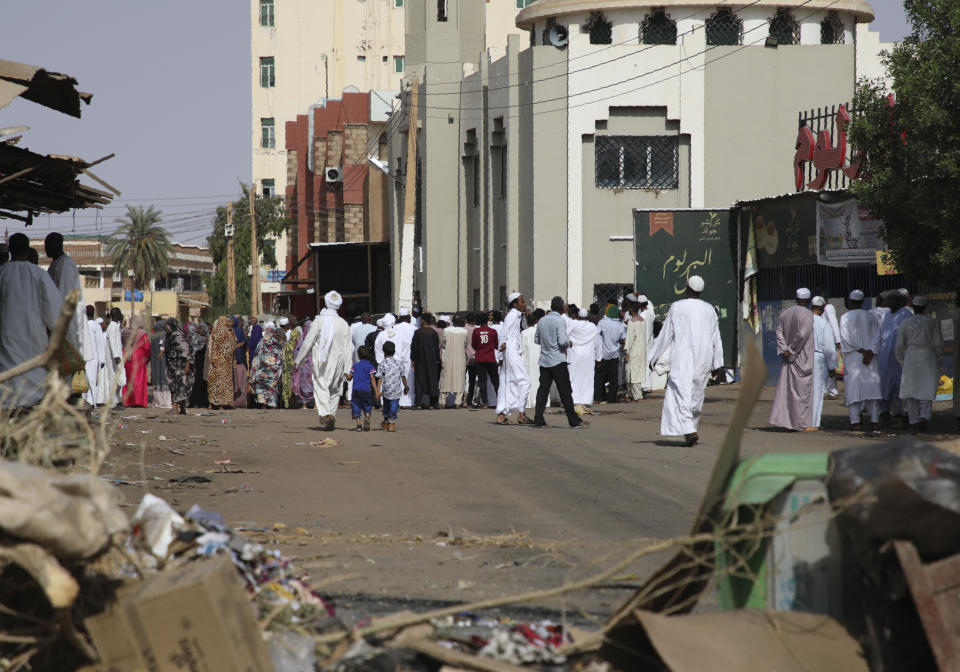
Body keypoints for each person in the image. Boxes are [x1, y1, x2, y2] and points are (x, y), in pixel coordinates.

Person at [647, 276, 724, 446]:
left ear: (687, 288)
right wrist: (717, 362)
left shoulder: (677, 307)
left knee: (682, 393)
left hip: (683, 357)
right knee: (695, 395)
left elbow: (665, 334)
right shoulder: (709, 309)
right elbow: (716, 337)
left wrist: (652, 356)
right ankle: (690, 430)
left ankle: (689, 429)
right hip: (704, 358)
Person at [0, 233, 63, 409]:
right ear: (27, 250)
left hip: (6, 348)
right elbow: (55, 315)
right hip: (33, 346)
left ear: (10, 249)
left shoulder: (2, 274)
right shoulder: (39, 276)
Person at [294, 290, 353, 431]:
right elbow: (348, 348)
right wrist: (347, 369)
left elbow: (308, 342)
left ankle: (327, 414)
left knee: (322, 388)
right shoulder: (343, 323)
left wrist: (299, 360)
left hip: (322, 361)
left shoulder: (319, 321)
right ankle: (330, 416)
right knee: (334, 390)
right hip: (339, 362)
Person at [533, 297, 584, 428]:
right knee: (565, 391)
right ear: (561, 308)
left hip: (544, 360)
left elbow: (537, 340)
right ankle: (573, 420)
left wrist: (547, 344)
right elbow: (562, 341)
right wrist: (569, 343)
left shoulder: (542, 320)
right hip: (557, 359)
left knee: (543, 390)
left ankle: (538, 418)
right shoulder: (559, 321)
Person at [769, 288, 815, 431]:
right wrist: (792, 350)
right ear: (808, 301)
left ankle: (788, 422)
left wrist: (785, 349)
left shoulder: (786, 313)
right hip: (801, 358)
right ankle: (800, 424)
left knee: (788, 391)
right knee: (801, 392)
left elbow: (779, 331)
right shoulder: (807, 314)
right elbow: (802, 335)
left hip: (789, 357)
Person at [896, 297, 944, 432]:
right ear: (925, 307)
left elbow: (899, 345)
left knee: (911, 390)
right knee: (925, 389)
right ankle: (924, 417)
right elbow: (939, 344)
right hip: (928, 357)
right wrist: (937, 361)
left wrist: (902, 362)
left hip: (910, 357)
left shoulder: (905, 322)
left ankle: (913, 420)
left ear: (913, 307)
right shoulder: (932, 323)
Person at [839, 289, 882, 431]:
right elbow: (878, 336)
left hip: (854, 356)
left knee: (854, 390)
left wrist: (862, 351)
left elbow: (846, 338)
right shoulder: (871, 317)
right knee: (872, 390)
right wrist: (870, 351)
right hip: (870, 357)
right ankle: (875, 420)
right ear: (862, 301)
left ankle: (855, 422)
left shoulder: (845, 317)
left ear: (850, 302)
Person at [44, 232, 89, 366]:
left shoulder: (66, 264)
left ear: (57, 245)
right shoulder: (55, 264)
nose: (45, 248)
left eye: (48, 245)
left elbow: (65, 296)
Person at [494, 292, 532, 425]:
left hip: (511, 351)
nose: (524, 303)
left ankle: (501, 414)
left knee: (507, 383)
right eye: (521, 301)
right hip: (510, 352)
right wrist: (500, 354)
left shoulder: (516, 315)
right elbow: (503, 334)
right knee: (525, 381)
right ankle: (521, 413)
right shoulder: (512, 316)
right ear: (515, 304)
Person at [878, 289, 912, 427]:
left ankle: (903, 417)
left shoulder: (906, 314)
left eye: (892, 300)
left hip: (899, 357)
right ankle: (885, 414)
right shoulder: (887, 315)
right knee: (884, 385)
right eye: (888, 300)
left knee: (900, 387)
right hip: (885, 356)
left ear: (900, 302)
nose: (888, 303)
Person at [567, 307, 601, 416]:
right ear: (587, 317)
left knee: (574, 378)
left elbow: (565, 337)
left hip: (575, 355)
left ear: (578, 316)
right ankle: (585, 401)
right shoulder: (592, 327)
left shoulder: (572, 324)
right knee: (587, 378)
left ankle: (574, 400)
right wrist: (599, 358)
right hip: (588, 355)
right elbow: (598, 342)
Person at [810, 297, 838, 430]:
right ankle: (813, 423)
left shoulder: (804, 320)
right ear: (822, 309)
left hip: (803, 358)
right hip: (818, 359)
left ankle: (801, 420)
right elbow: (828, 347)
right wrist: (832, 366)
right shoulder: (823, 323)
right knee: (817, 391)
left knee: (804, 391)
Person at [374, 340, 408, 432]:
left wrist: (377, 390)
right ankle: (389, 421)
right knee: (392, 406)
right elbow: (403, 376)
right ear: (394, 351)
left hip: (386, 390)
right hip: (396, 390)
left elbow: (380, 378)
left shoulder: (382, 363)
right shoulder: (399, 363)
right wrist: (406, 386)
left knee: (387, 406)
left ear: (384, 353)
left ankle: (389, 421)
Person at [595, 304, 626, 404]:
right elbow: (623, 339)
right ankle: (612, 398)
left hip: (603, 354)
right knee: (613, 377)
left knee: (600, 376)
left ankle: (598, 397)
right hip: (615, 354)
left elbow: (596, 334)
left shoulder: (602, 323)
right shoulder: (620, 325)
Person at [249, 323, 285, 408]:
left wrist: (254, 369)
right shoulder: (277, 343)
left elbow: (257, 355)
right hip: (273, 370)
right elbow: (280, 356)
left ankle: (264, 405)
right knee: (271, 387)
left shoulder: (261, 342)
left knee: (262, 387)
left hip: (262, 369)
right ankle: (272, 405)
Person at [410, 313, 442, 409]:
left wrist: (413, 358)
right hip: (432, 360)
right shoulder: (433, 333)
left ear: (423, 321)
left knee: (419, 380)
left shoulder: (418, 332)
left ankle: (418, 403)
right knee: (432, 380)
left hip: (420, 360)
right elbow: (437, 348)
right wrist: (437, 359)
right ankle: (433, 403)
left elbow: (414, 347)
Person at [164, 317, 194, 415]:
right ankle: (180, 408)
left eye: (167, 324)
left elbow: (186, 350)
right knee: (174, 386)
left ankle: (176, 407)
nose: (165, 326)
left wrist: (187, 366)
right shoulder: (170, 335)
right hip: (172, 365)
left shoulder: (178, 335)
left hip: (180, 366)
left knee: (180, 386)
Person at [206, 316, 236, 409]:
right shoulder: (226, 333)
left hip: (220, 362)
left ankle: (215, 403)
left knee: (216, 383)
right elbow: (232, 346)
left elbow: (213, 347)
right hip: (223, 362)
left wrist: (213, 358)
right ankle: (220, 404)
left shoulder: (218, 332)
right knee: (221, 383)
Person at [471, 311, 499, 408]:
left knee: (482, 381)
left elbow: (474, 345)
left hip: (479, 358)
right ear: (487, 320)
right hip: (491, 358)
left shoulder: (476, 331)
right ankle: (500, 400)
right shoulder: (493, 331)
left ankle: (485, 403)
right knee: (495, 380)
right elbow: (496, 345)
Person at [440, 314, 469, 408]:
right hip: (460, 357)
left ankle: (442, 401)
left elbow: (443, 343)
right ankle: (457, 402)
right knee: (459, 378)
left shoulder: (446, 330)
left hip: (448, 356)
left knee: (445, 378)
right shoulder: (465, 332)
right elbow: (466, 344)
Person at [520, 309, 546, 410]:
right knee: (540, 380)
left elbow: (521, 349)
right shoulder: (540, 331)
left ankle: (529, 401)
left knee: (529, 380)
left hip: (528, 360)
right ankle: (541, 402)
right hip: (540, 358)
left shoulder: (524, 333)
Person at [122, 316, 150, 407]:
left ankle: (128, 401)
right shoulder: (142, 333)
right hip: (138, 358)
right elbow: (147, 347)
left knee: (128, 379)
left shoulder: (125, 332)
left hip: (126, 356)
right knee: (138, 380)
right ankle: (138, 401)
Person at [347, 345, 377, 431]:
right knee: (367, 405)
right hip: (367, 390)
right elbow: (372, 379)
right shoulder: (370, 366)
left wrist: (346, 375)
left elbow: (349, 378)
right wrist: (376, 390)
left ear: (358, 355)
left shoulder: (355, 366)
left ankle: (359, 424)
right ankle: (367, 417)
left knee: (356, 405)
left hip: (356, 390)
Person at [103, 308, 127, 407]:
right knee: (113, 378)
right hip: (114, 358)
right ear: (117, 315)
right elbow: (112, 342)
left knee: (119, 379)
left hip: (118, 355)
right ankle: (113, 402)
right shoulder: (111, 327)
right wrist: (116, 356)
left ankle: (116, 400)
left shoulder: (116, 326)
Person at [624, 300, 647, 401]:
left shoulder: (631, 322)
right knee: (637, 371)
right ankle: (632, 394)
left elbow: (629, 339)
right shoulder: (643, 321)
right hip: (642, 350)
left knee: (633, 373)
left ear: (631, 309)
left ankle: (638, 395)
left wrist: (627, 352)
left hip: (634, 350)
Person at [84, 306, 107, 407]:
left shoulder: (82, 325)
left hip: (84, 357)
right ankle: (91, 401)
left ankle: (86, 400)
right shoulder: (95, 326)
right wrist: (102, 360)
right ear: (93, 314)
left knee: (84, 379)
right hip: (93, 358)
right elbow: (100, 343)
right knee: (92, 380)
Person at [820, 296, 843, 399]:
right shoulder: (821, 310)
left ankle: (833, 392)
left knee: (831, 366)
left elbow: (834, 324)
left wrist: (838, 341)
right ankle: (829, 390)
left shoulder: (828, 308)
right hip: (823, 342)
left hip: (829, 341)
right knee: (826, 366)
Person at [394, 308, 417, 408]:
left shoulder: (394, 328)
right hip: (410, 357)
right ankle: (409, 401)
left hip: (397, 357)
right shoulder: (414, 328)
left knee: (398, 379)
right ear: (409, 317)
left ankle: (399, 401)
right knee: (410, 379)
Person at [186, 319, 209, 408]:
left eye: (202, 328)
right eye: (199, 328)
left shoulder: (208, 338)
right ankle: (195, 401)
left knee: (203, 382)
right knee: (195, 382)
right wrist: (189, 364)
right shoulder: (194, 338)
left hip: (205, 364)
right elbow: (191, 352)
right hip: (196, 363)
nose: (201, 330)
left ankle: (203, 401)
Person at [292, 318, 315, 408]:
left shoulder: (302, 338)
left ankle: (305, 404)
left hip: (304, 366)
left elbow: (296, 351)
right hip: (311, 366)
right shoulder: (314, 338)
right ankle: (314, 404)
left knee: (305, 385)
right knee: (314, 384)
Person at [149, 318, 171, 408]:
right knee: (165, 380)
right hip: (164, 362)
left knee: (157, 380)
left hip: (155, 363)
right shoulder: (165, 335)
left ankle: (158, 402)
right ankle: (165, 402)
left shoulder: (153, 337)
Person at [281, 318, 301, 408]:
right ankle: (285, 401)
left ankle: (289, 401)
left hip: (290, 360)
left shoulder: (293, 333)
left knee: (290, 380)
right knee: (285, 380)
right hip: (285, 360)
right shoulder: (280, 333)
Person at [232, 317, 249, 407]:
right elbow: (245, 343)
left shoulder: (232, 331)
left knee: (236, 381)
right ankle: (240, 401)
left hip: (234, 360)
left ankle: (235, 401)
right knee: (241, 381)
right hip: (240, 359)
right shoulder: (239, 331)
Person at [465, 313, 480, 407]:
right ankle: (469, 401)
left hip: (465, 356)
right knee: (472, 380)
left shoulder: (463, 329)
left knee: (462, 380)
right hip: (475, 357)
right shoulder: (477, 329)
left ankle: (461, 399)